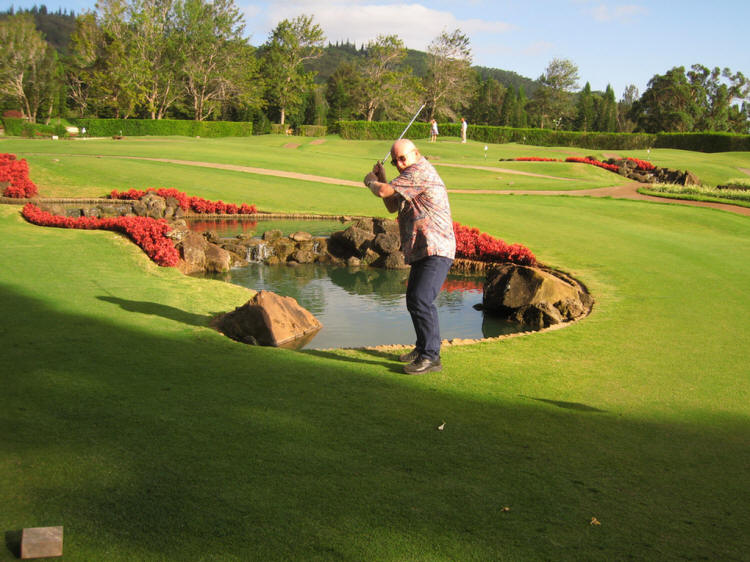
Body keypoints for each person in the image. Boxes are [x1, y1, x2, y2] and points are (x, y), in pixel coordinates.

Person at [363, 139, 456, 374]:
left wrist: (371, 182)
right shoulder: (409, 175)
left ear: (416, 154)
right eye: (395, 161)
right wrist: (383, 178)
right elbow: (392, 205)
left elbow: (383, 192)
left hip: (436, 247)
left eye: (403, 158)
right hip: (423, 249)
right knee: (413, 300)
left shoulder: (419, 171)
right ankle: (423, 347)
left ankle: (431, 356)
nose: (400, 164)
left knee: (421, 299)